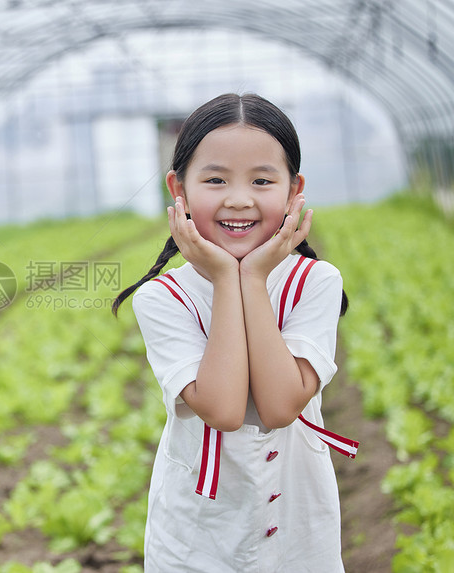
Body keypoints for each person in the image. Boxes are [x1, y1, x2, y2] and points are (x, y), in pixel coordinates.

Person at [111, 93, 358, 572]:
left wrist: (252, 279)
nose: (239, 198)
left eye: (262, 180)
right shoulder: (162, 298)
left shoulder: (316, 282)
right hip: (195, 535)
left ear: (294, 190)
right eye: (215, 179)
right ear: (177, 189)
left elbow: (281, 406)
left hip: (298, 525)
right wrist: (229, 278)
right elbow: (223, 410)